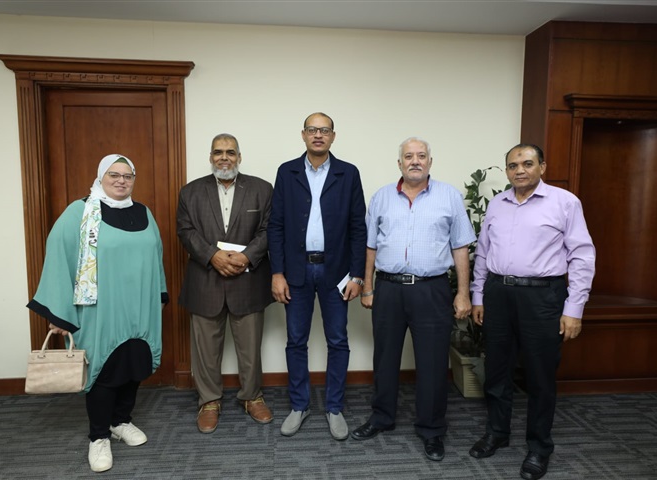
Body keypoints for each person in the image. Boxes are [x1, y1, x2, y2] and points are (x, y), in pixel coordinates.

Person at [27, 154, 168, 473]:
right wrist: (59, 313)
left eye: (128, 175)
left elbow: (155, 255)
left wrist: (159, 293)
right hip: (99, 309)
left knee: (135, 364)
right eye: (114, 174)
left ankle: (120, 421)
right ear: (101, 176)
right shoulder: (79, 212)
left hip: (140, 306)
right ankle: (99, 436)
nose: (121, 181)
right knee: (104, 371)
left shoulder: (143, 212)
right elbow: (58, 257)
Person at [468, 144, 595, 480]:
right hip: (498, 293)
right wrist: (478, 296)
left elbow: (582, 256)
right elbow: (483, 253)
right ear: (507, 171)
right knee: (496, 370)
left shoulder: (564, 202)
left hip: (543, 296)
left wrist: (574, 308)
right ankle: (497, 432)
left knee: (540, 375)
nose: (520, 170)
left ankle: (539, 447)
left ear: (542, 166)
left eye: (527, 163)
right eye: (513, 165)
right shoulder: (497, 203)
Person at [351, 137, 476, 462]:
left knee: (433, 363)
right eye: (409, 156)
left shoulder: (449, 196)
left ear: (430, 162)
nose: (415, 161)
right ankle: (382, 417)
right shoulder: (381, 197)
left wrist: (463, 293)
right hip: (388, 289)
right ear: (400, 163)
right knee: (385, 357)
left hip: (431, 289)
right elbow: (370, 246)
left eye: (421, 156)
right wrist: (368, 287)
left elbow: (460, 246)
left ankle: (432, 430)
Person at [267, 112, 367, 440]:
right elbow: (276, 226)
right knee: (296, 340)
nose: (318, 135)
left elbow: (358, 227)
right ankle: (300, 405)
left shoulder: (348, 173)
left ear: (333, 136)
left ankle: (334, 407)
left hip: (336, 271)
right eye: (312, 129)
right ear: (303, 135)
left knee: (338, 340)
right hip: (296, 270)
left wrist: (357, 276)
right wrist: (277, 272)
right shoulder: (287, 172)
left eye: (324, 130)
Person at [177, 133, 274, 434]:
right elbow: (185, 230)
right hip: (205, 279)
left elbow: (270, 229)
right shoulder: (191, 192)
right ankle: (209, 401)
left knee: (250, 348)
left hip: (248, 280)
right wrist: (213, 256)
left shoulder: (262, 189)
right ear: (210, 157)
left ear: (239, 157)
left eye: (230, 152)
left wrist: (246, 257)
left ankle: (251, 396)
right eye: (218, 152)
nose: (224, 158)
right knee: (205, 349)